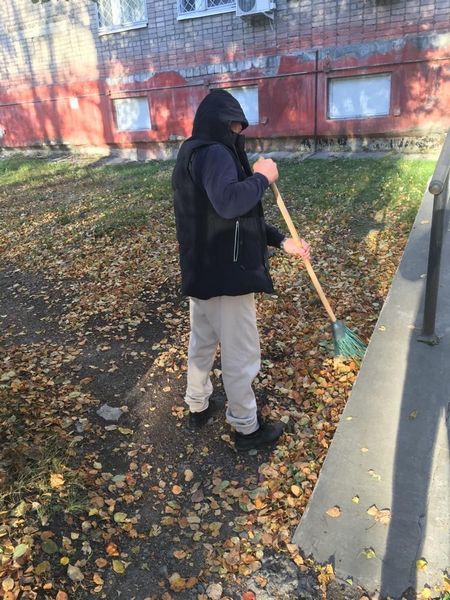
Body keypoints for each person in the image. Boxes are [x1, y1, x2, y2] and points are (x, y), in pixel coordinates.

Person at [172, 89, 310, 452]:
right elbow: (231, 203)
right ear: (220, 123)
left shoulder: (191, 151)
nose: (237, 131)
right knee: (241, 355)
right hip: (227, 276)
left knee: (202, 343)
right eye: (233, 125)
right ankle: (247, 429)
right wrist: (262, 177)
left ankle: (197, 404)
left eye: (239, 126)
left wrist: (281, 241)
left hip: (202, 270)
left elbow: (233, 218)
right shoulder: (216, 153)